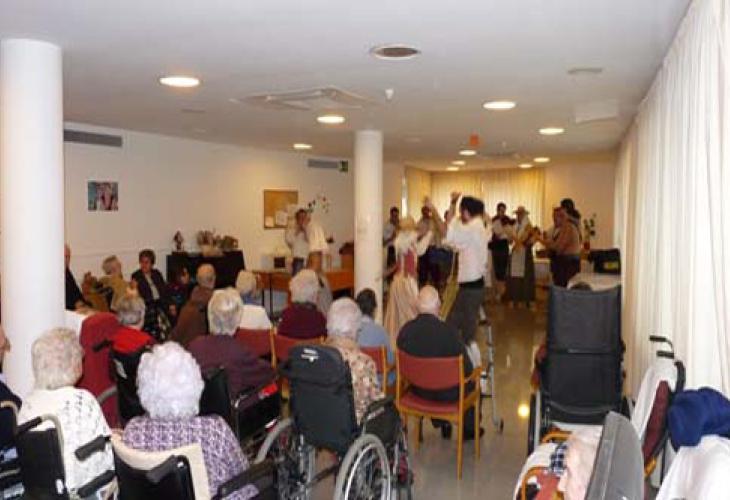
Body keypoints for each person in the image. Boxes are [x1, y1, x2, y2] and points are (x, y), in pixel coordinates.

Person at [122, 342, 257, 499]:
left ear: (144, 387)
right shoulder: (214, 431)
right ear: (195, 384)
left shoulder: (133, 431)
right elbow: (244, 474)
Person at [18, 328, 114, 495]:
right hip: (79, 493)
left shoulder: (28, 403)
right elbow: (105, 461)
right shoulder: (81, 401)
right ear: (75, 364)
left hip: (41, 493)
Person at [397, 286, 481, 440]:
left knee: (433, 377)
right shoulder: (450, 333)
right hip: (447, 396)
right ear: (438, 306)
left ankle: (443, 423)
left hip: (418, 391)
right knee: (472, 383)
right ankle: (469, 430)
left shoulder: (405, 332)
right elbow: (467, 370)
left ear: (417, 306)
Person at [189, 289, 275, 397]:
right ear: (237, 320)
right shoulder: (240, 351)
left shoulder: (195, 346)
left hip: (201, 403)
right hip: (235, 405)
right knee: (272, 387)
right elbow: (267, 373)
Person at [438, 193, 488, 344]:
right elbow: (452, 236)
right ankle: (460, 353)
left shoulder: (474, 228)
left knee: (464, 330)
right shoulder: (474, 227)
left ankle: (466, 356)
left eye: (461, 212)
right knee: (455, 325)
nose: (460, 216)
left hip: (472, 289)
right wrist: (453, 203)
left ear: (466, 212)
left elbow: (449, 233)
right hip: (469, 287)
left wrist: (434, 210)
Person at [326, 298, 383, 423]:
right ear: (354, 330)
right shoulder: (363, 362)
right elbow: (376, 403)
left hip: (322, 421)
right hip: (353, 426)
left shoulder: (319, 356)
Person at [383, 216, 432, 347]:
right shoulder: (409, 243)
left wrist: (386, 273)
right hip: (407, 282)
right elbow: (411, 266)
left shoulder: (401, 243)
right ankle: (412, 340)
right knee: (412, 312)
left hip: (398, 282)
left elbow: (399, 264)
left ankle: (400, 340)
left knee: (398, 314)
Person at [131, 249, 175, 339]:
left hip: (161, 303)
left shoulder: (157, 273)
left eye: (147, 262)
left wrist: (171, 304)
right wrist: (134, 288)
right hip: (148, 305)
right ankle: (162, 336)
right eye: (142, 262)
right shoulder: (136, 276)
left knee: (173, 313)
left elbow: (165, 291)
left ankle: (168, 336)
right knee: (159, 317)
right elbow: (135, 295)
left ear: (152, 264)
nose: (144, 265)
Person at [170, 264, 216, 347]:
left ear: (197, 279)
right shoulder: (217, 306)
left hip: (186, 349)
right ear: (214, 279)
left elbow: (176, 336)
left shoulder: (187, 307)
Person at [355, 289, 395, 384]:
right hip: (379, 382)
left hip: (357, 379)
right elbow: (390, 361)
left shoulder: (351, 331)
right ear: (374, 309)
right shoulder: (381, 331)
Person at [277, 269, 327, 339]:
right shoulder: (319, 319)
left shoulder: (285, 315)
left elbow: (279, 337)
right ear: (314, 294)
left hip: (289, 346)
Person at [505, 206, 537, 307]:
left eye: (520, 214)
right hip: (515, 254)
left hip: (525, 253)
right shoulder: (515, 226)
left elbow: (532, 239)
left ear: (524, 215)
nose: (518, 216)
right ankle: (515, 299)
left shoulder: (528, 226)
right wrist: (511, 239)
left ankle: (526, 300)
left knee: (525, 277)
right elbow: (511, 240)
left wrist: (524, 242)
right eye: (517, 214)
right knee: (515, 277)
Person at [542, 208, 582, 287]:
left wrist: (543, 241)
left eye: (555, 217)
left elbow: (559, 247)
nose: (554, 220)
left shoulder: (568, 227)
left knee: (564, 289)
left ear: (562, 216)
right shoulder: (564, 227)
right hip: (565, 263)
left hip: (567, 264)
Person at [416, 204, 444, 288]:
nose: (426, 213)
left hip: (433, 248)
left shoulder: (434, 221)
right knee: (423, 270)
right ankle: (423, 287)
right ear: (422, 212)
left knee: (434, 269)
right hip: (423, 249)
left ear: (429, 211)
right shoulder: (419, 223)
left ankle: (437, 287)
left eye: (427, 211)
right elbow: (416, 236)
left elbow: (440, 232)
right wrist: (421, 236)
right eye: (424, 211)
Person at [489, 202, 511, 290]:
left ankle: (502, 290)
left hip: (504, 247)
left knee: (503, 269)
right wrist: (498, 233)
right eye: (501, 211)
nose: (503, 213)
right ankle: (498, 289)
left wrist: (508, 234)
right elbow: (492, 234)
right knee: (496, 269)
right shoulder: (493, 220)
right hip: (496, 247)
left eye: (504, 211)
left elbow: (510, 233)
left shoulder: (507, 219)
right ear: (497, 210)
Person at [285, 208, 310, 276]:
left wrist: (305, 231)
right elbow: (289, 241)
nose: (303, 220)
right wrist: (297, 231)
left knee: (308, 281)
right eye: (301, 218)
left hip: (309, 259)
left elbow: (311, 242)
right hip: (298, 260)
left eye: (304, 217)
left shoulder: (309, 229)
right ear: (297, 219)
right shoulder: (291, 229)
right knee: (297, 280)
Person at [307, 250, 333, 315]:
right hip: (318, 313)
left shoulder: (323, 277)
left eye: (320, 262)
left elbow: (328, 296)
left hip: (326, 311)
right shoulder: (308, 277)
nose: (320, 264)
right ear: (310, 262)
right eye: (318, 262)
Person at [65, 244, 89, 311]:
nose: (66, 260)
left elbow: (76, 292)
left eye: (68, 257)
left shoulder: (67, 272)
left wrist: (80, 302)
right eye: (64, 256)